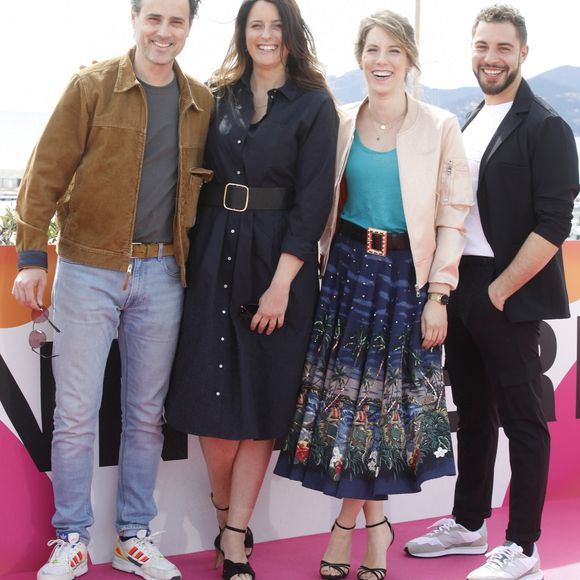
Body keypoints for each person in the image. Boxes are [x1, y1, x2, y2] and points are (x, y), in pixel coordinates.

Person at [11, 0, 213, 578]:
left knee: (146, 416)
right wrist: (30, 259)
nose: (164, 31)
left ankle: (133, 536)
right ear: (135, 18)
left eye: (177, 20)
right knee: (75, 413)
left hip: (164, 274)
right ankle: (71, 538)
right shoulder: (91, 85)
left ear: (190, 27)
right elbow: (43, 172)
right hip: (87, 271)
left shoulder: (202, 102)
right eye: (155, 17)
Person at [274, 9, 472, 580]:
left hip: (407, 281)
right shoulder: (337, 121)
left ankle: (348, 529)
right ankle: (376, 531)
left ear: (410, 60)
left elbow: (453, 216)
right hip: (343, 274)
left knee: (385, 416)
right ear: (359, 58)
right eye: (371, 50)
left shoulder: (440, 127)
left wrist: (439, 294)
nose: (381, 61)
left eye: (393, 51)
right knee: (351, 412)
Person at [404, 5, 579, 580]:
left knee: (522, 420)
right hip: (462, 285)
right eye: (483, 46)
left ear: (523, 54)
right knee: (473, 412)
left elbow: (553, 225)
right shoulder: (471, 118)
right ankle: (469, 524)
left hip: (508, 291)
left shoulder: (546, 126)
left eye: (503, 47)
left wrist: (500, 292)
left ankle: (524, 546)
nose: (491, 57)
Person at [164, 1, 338, 578]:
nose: (265, 35)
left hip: (279, 266)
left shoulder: (315, 105)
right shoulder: (217, 96)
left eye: (275, 25)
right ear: (244, 33)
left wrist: (282, 285)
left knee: (262, 405)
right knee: (211, 413)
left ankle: (235, 539)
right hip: (214, 254)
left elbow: (315, 202)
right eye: (254, 25)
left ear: (292, 34)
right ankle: (225, 518)